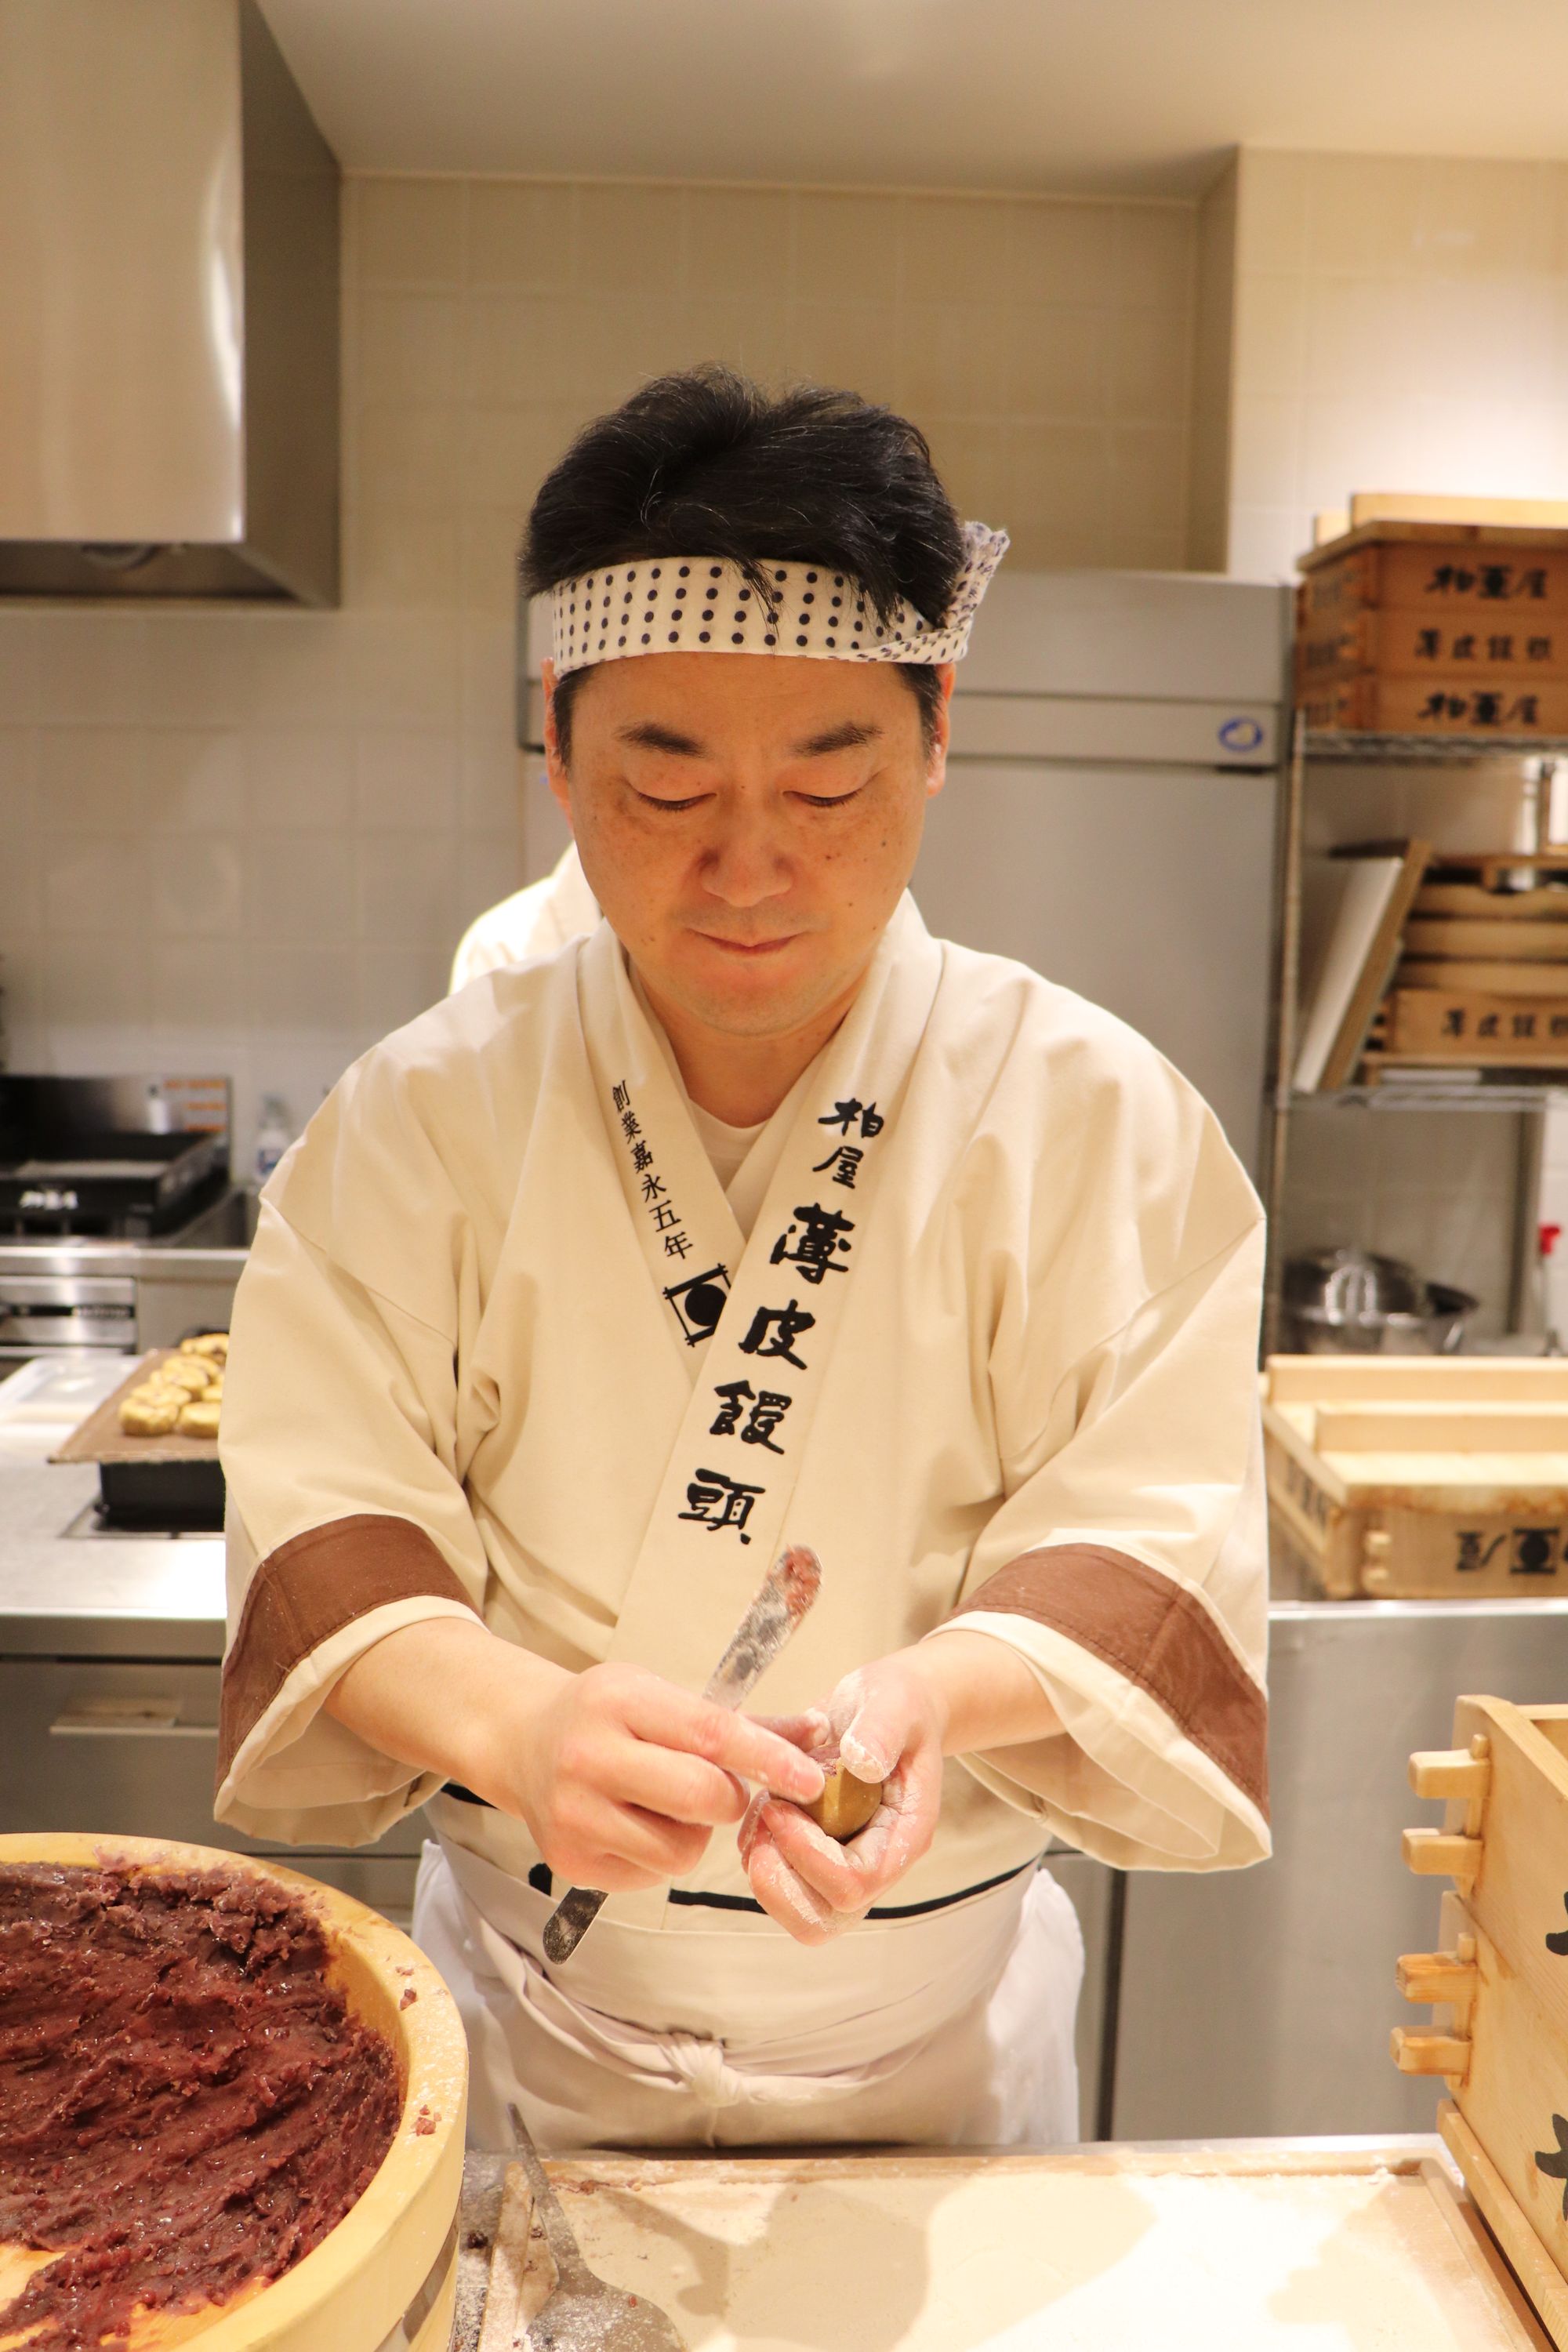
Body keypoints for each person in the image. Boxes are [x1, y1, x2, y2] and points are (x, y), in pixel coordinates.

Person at [215, 367, 1269, 2155]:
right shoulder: (420, 1118)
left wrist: (939, 1694)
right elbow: (328, 1526)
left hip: (930, 2045)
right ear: (557, 751)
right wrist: (531, 1729)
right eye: (667, 778)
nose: (751, 864)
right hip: (533, 2034)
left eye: (832, 777)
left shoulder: (1096, 1117)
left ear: (938, 737)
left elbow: (1147, 1525)